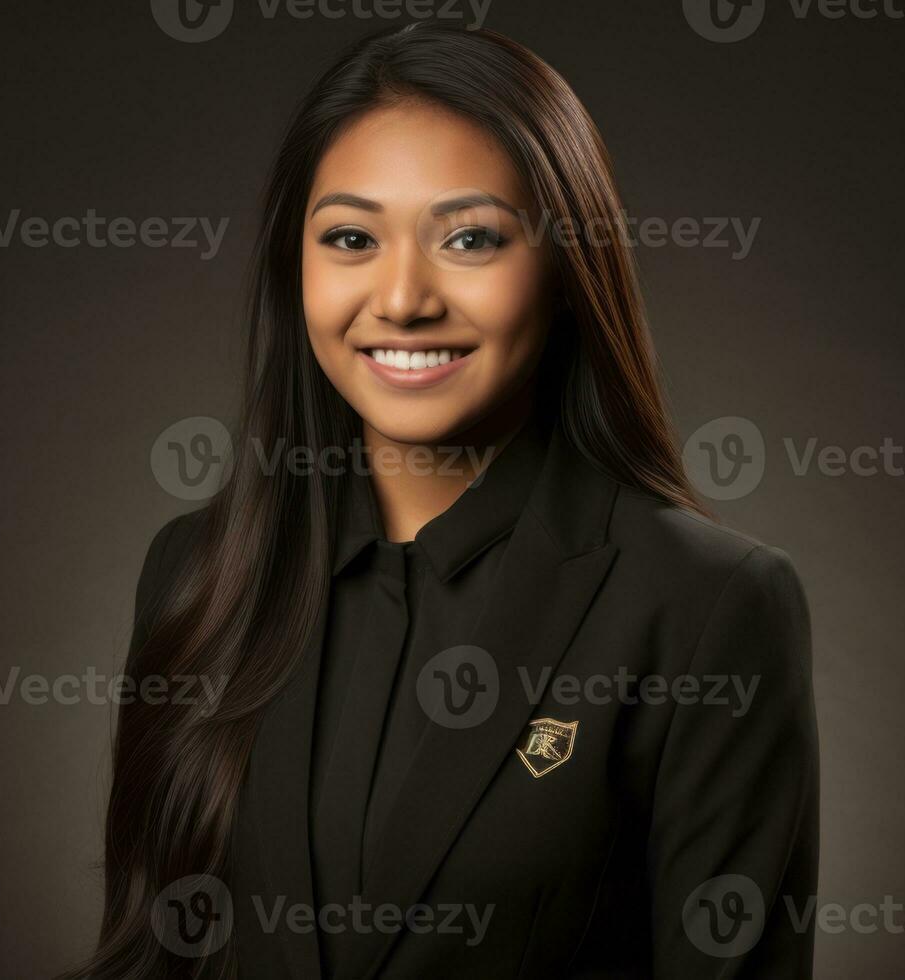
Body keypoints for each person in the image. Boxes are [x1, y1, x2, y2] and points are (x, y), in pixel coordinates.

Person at [65, 21, 818, 980]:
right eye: (349, 238)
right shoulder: (197, 572)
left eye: (469, 238)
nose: (403, 297)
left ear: (566, 268)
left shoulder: (707, 606)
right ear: (291, 267)